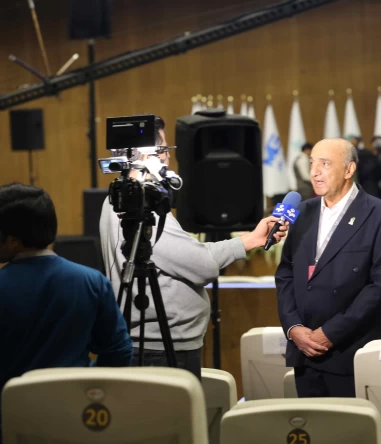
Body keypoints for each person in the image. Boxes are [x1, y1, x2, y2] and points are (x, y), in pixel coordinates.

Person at [101, 115, 288, 379]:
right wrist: (245, 242)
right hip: (161, 348)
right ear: (146, 155)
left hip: (151, 344)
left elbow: (183, 256)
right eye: (163, 149)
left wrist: (250, 239)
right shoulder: (144, 209)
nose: (168, 157)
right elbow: (202, 265)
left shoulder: (115, 200)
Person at [0, 184, 132, 440]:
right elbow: (119, 353)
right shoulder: (93, 281)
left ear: (14, 240)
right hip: (76, 419)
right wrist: (79, 380)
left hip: (10, 422)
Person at [276, 138, 381, 398]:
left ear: (349, 169)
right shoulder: (302, 212)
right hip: (304, 351)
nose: (314, 172)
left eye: (324, 164)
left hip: (352, 352)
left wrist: (330, 333)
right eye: (312, 163)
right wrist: (293, 328)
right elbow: (286, 273)